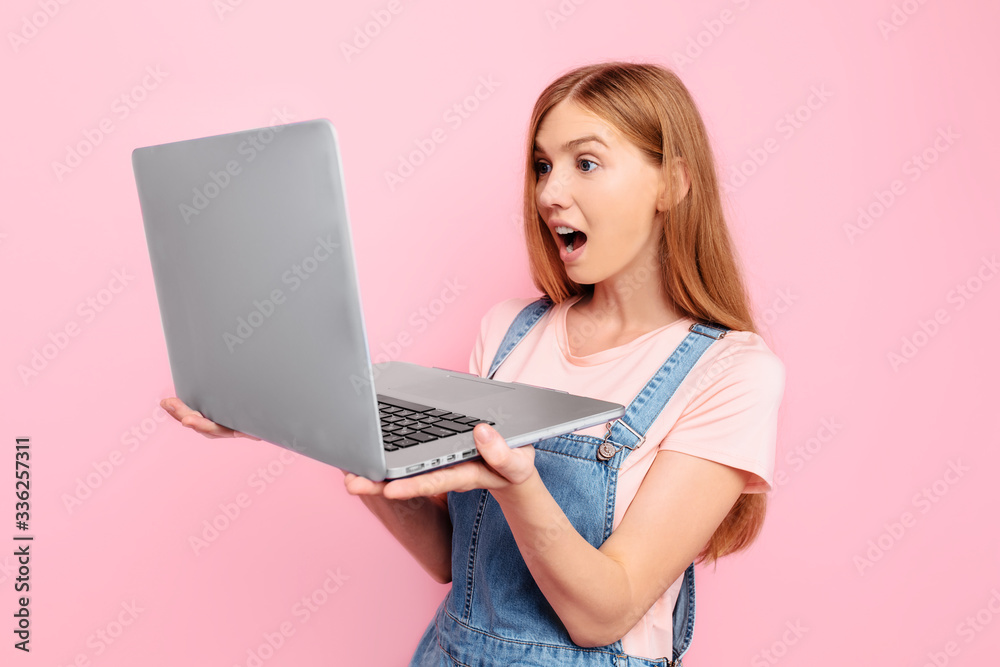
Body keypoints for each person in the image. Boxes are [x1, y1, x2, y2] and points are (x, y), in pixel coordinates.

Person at [162, 61, 785, 666]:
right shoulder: (510, 333)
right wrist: (309, 420)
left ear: (672, 184)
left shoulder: (730, 373)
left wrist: (518, 484)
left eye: (585, 163)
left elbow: (604, 614)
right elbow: (451, 558)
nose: (550, 192)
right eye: (543, 165)